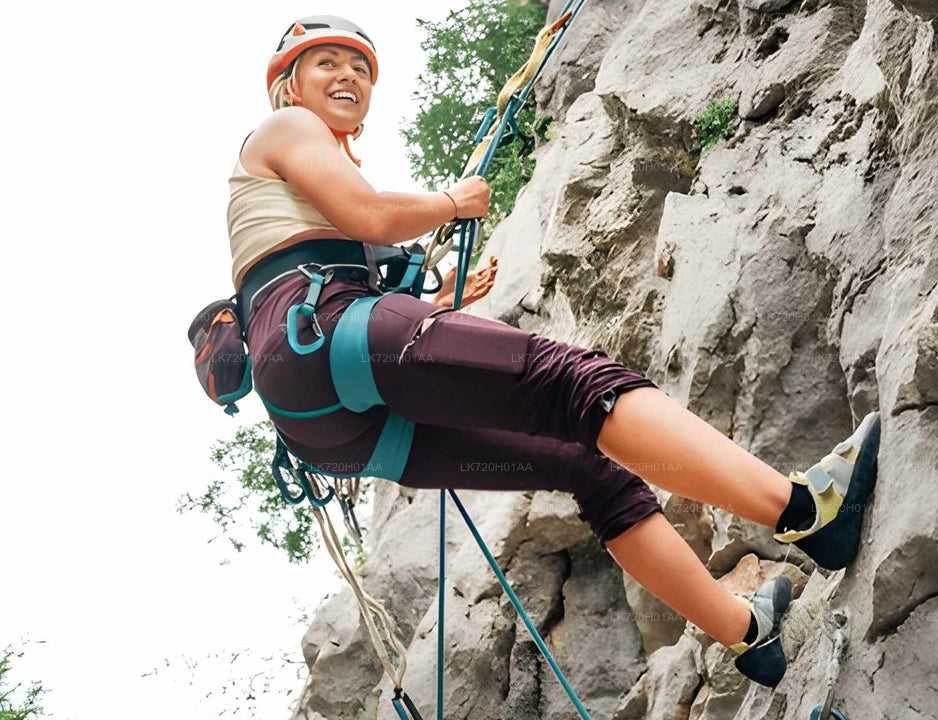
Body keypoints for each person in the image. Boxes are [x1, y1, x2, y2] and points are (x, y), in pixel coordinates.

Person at [230, 15, 882, 687]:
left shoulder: (296, 182)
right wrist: (453, 202)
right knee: (575, 384)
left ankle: (746, 632)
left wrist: (443, 291)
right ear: (286, 87)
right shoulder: (288, 129)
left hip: (334, 428)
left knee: (588, 467)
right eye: (327, 64)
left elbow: (343, 259)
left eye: (361, 68)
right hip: (326, 338)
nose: (349, 76)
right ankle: (808, 510)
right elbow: (368, 217)